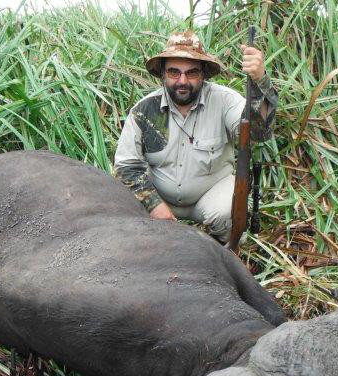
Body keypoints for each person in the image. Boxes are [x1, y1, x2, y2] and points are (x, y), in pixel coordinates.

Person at [114, 31, 277, 243]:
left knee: (227, 213)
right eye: (174, 72)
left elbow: (258, 132)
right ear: (162, 74)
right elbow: (126, 167)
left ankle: (225, 251)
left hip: (210, 196)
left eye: (191, 73)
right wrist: (154, 206)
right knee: (122, 208)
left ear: (203, 75)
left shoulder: (225, 101)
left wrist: (259, 80)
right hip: (162, 198)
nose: (182, 81)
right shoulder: (144, 110)